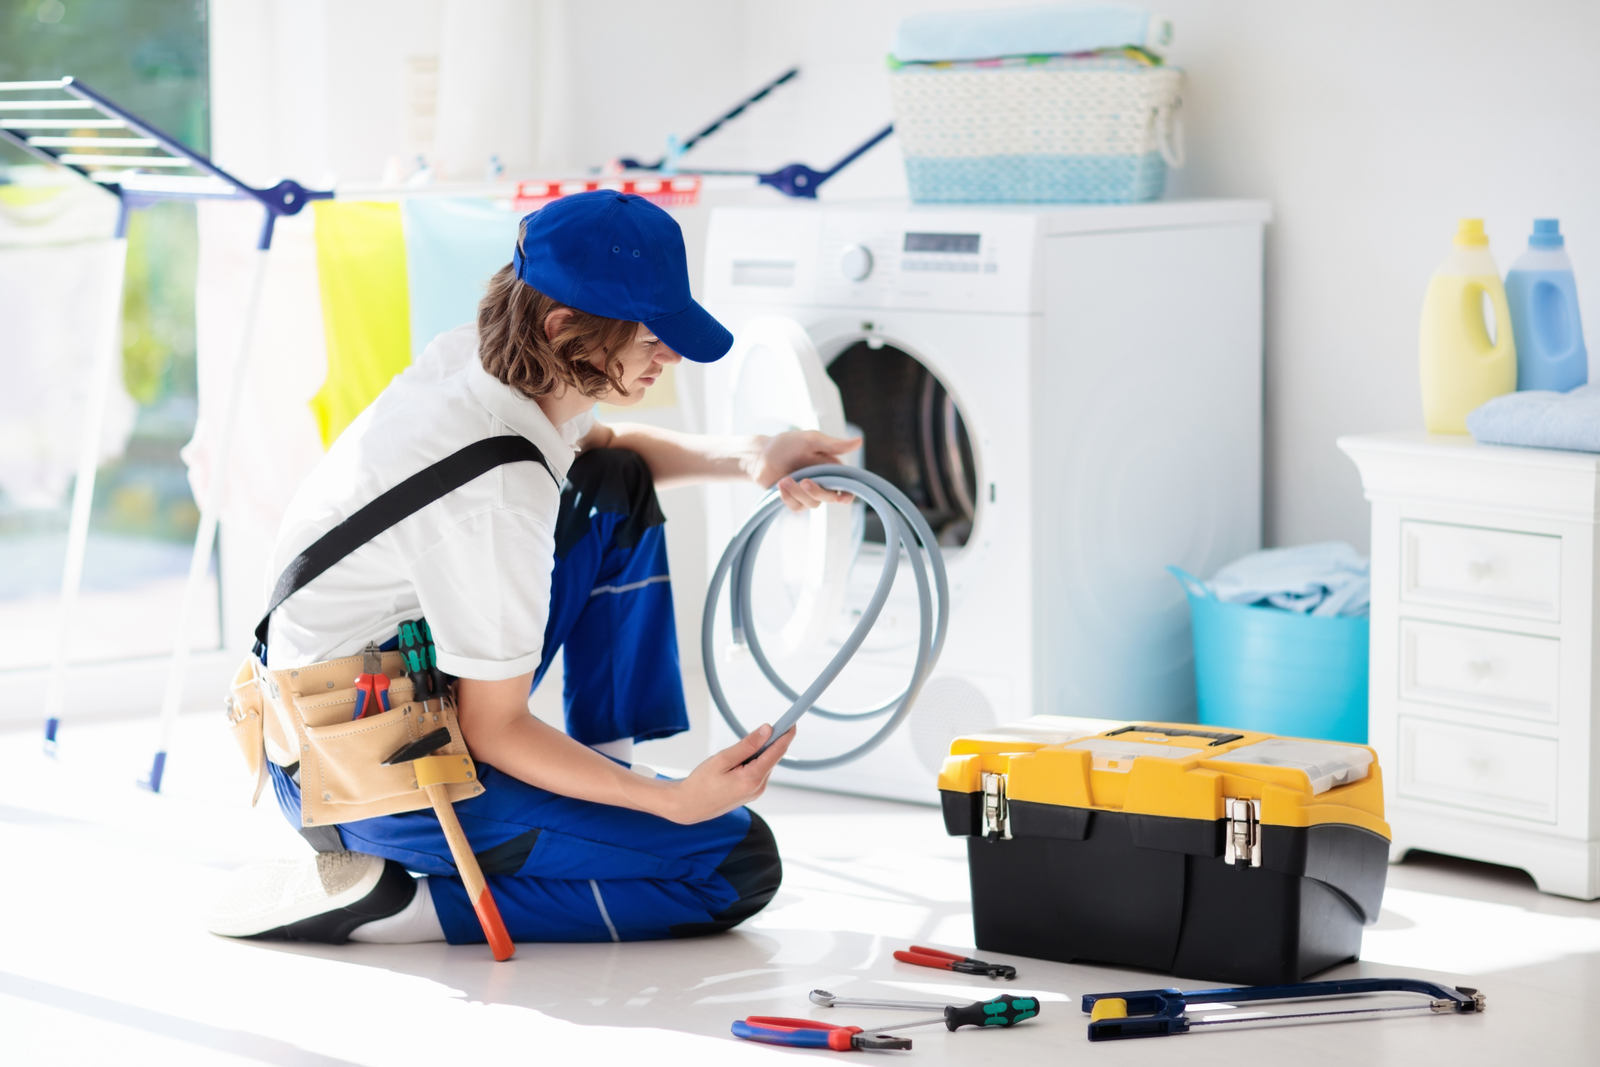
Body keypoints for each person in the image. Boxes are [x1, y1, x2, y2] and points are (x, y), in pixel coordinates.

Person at [208, 191, 858, 947]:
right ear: (563, 328)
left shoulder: (480, 359)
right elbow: (495, 727)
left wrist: (753, 456)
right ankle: (398, 907)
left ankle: (602, 776)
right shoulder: (497, 496)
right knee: (734, 864)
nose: (671, 357)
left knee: (613, 483)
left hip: (352, 691)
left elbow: (603, 446)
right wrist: (671, 803)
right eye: (652, 337)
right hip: (355, 774)